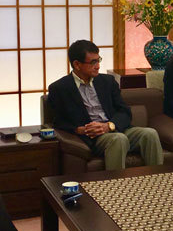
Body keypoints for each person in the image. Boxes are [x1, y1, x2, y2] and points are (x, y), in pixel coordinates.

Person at [48, 40, 163, 171]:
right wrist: (79, 129)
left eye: (98, 60)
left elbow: (125, 111)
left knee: (150, 133)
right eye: (93, 62)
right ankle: (116, 188)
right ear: (77, 64)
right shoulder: (60, 88)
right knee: (118, 139)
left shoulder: (107, 82)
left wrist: (109, 125)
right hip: (93, 137)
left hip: (114, 128)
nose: (97, 66)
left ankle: (157, 182)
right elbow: (58, 122)